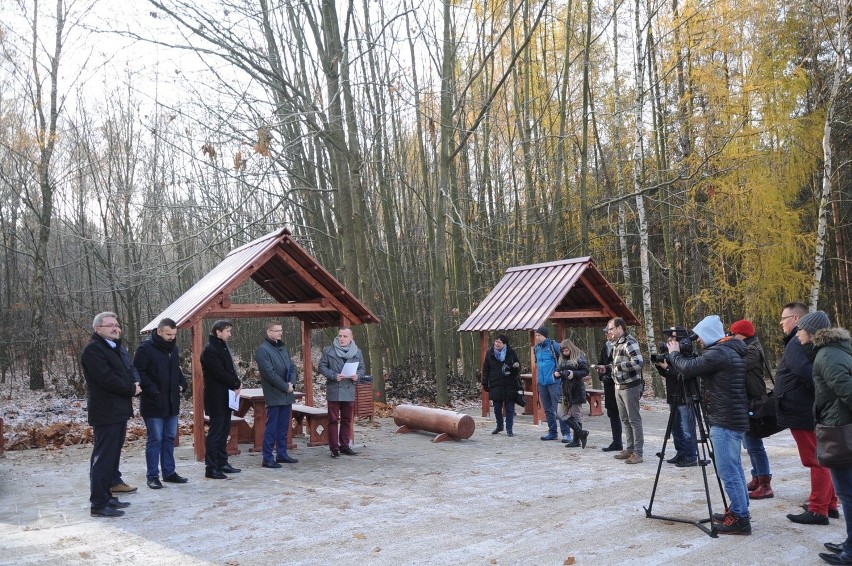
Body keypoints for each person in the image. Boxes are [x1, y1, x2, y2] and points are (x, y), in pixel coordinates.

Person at [669, 314, 751, 534]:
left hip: (724, 419)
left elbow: (689, 368)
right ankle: (739, 510)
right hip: (731, 417)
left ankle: (741, 519)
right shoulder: (730, 350)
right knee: (734, 468)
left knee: (728, 470)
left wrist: (674, 353)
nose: (699, 342)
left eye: (701, 337)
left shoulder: (720, 352)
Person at [775, 302, 839, 525]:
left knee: (816, 460)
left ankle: (818, 509)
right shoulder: (805, 343)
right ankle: (829, 504)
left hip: (801, 410)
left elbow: (806, 373)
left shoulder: (796, 343)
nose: (781, 322)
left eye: (784, 318)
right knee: (822, 457)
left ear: (796, 320)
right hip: (804, 408)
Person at [796, 311, 852, 565]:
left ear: (812, 333)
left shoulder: (828, 355)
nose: (797, 334)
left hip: (840, 430)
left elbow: (847, 391)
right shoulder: (831, 351)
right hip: (837, 426)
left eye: (801, 330)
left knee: (847, 493)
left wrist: (833, 419)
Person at [81, 311, 141, 517]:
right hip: (106, 411)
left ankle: (107, 496)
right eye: (110, 325)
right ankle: (98, 503)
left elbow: (127, 370)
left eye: (117, 325)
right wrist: (131, 389)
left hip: (119, 410)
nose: (115, 328)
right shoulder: (93, 350)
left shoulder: (115, 348)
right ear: (98, 329)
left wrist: (134, 383)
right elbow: (107, 379)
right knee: (103, 458)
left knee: (112, 457)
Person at [134, 318, 189, 489]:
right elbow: (138, 371)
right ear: (159, 331)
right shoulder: (145, 348)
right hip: (153, 403)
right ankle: (152, 476)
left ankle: (169, 472)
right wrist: (152, 390)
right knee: (155, 440)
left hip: (172, 402)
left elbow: (177, 371)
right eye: (168, 334)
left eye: (174, 334)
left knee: (169, 438)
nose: (172, 337)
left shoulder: (173, 349)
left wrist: (182, 384)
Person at [729, 319, 774, 499]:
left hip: (754, 401)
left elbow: (735, 366)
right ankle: (757, 476)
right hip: (748, 401)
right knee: (750, 443)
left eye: (733, 334)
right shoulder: (748, 347)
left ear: (742, 334)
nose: (731, 337)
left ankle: (765, 483)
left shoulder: (751, 350)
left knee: (755, 444)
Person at [201, 319, 242, 479]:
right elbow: (219, 372)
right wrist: (235, 382)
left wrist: (236, 382)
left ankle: (222, 462)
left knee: (224, 431)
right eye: (227, 331)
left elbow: (229, 369)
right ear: (218, 332)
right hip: (216, 397)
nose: (230, 334)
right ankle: (211, 467)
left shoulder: (222, 347)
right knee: (216, 432)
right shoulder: (210, 349)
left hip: (226, 396)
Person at [255, 320, 298, 468]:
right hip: (274, 393)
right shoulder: (262, 350)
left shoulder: (283, 348)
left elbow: (292, 367)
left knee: (283, 426)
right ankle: (267, 457)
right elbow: (269, 374)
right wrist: (285, 386)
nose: (280, 333)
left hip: (287, 393)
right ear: (269, 332)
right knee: (271, 427)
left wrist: (291, 383)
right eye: (277, 330)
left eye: (281, 330)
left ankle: (282, 453)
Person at [653, 329, 697, 467]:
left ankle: (690, 456)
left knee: (688, 429)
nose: (669, 341)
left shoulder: (689, 357)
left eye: (672, 338)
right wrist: (661, 366)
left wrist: (667, 368)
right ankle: (681, 453)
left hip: (686, 397)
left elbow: (682, 375)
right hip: (673, 396)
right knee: (675, 428)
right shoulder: (673, 355)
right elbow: (670, 375)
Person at [319, 327, 365, 458]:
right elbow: (322, 366)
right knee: (333, 420)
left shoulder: (357, 352)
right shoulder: (329, 351)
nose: (342, 339)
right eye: (340, 336)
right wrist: (333, 375)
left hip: (349, 388)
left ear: (351, 338)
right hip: (335, 388)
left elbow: (362, 367)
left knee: (347, 419)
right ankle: (334, 448)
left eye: (345, 336)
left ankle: (344, 446)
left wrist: (358, 376)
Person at [605, 318, 644, 464]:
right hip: (618, 386)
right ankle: (630, 448)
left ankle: (638, 453)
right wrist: (608, 368)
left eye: (611, 329)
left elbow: (639, 362)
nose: (609, 332)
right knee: (625, 420)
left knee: (634, 420)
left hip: (630, 387)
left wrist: (621, 366)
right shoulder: (615, 344)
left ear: (620, 328)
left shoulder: (629, 342)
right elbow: (616, 364)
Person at [533, 326, 570, 442]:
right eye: (536, 335)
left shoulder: (554, 346)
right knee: (548, 409)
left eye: (539, 335)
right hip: (542, 383)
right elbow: (537, 364)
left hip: (554, 382)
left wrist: (558, 373)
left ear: (545, 335)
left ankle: (566, 433)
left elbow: (563, 361)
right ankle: (552, 432)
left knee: (559, 409)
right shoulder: (536, 349)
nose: (537, 337)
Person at [481, 334, 521, 436]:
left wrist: (513, 368)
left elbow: (517, 367)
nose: (497, 344)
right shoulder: (490, 353)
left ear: (504, 344)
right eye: (496, 341)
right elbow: (486, 368)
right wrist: (484, 382)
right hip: (495, 384)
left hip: (510, 384)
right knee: (497, 408)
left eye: (499, 342)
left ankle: (509, 429)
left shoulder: (511, 353)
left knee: (510, 409)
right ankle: (499, 426)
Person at [557, 338, 590, 448]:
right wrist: (557, 373)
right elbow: (560, 370)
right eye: (563, 351)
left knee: (576, 414)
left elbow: (586, 371)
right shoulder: (561, 358)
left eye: (566, 351)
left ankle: (576, 440)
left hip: (576, 389)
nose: (564, 353)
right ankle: (581, 433)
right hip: (565, 389)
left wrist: (573, 373)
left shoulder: (579, 355)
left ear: (571, 348)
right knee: (561, 413)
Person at [596, 327, 623, 452]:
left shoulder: (622, 346)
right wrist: (602, 376)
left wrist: (609, 375)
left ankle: (632, 445)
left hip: (621, 384)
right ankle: (617, 442)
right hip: (609, 386)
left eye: (608, 332)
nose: (606, 334)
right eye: (605, 332)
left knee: (625, 415)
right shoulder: (605, 346)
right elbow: (601, 363)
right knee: (612, 413)